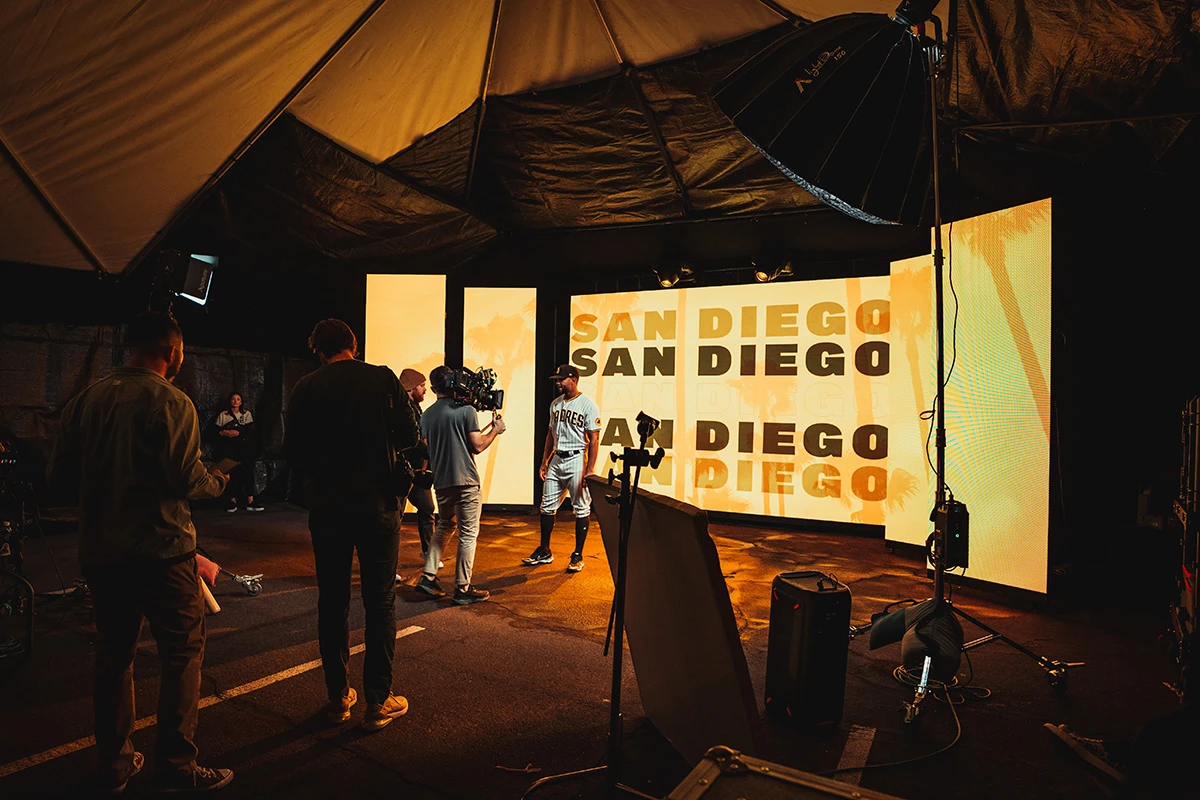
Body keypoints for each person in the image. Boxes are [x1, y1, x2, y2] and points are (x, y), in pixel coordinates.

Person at [47, 311, 234, 793]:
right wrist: (216, 481)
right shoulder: (172, 402)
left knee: (113, 655)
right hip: (162, 551)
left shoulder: (84, 402)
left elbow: (60, 479)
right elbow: (183, 477)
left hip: (102, 554)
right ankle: (176, 767)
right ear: (171, 352)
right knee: (181, 653)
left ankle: (114, 765)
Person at [284, 319, 417, 731]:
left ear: (318, 350)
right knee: (380, 603)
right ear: (353, 345)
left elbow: (293, 451)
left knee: (333, 602)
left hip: (328, 512)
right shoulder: (382, 379)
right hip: (378, 508)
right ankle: (378, 701)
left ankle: (338, 697)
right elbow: (410, 435)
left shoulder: (306, 388)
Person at [416, 365, 506, 605]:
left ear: (434, 388)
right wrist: (495, 430)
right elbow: (477, 445)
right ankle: (463, 588)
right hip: (466, 481)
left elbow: (428, 446)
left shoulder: (427, 415)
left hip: (442, 482)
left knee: (444, 526)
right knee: (468, 533)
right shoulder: (466, 410)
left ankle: (428, 576)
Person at [522, 364, 600, 573]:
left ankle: (578, 555)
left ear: (573, 379)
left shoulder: (588, 405)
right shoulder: (555, 404)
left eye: (561, 379)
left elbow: (594, 439)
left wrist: (590, 469)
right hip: (557, 458)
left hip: (576, 459)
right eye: (557, 379)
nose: (558, 383)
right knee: (546, 506)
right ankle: (545, 550)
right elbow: (550, 435)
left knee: (581, 507)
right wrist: (544, 461)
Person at [397, 368, 438, 568]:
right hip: (403, 470)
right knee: (395, 517)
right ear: (412, 387)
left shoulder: (415, 408)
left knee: (427, 508)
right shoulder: (402, 409)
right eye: (422, 385)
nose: (425, 390)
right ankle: (388, 566)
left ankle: (429, 552)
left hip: (415, 470)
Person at [214, 391, 262, 512]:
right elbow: (214, 431)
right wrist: (223, 433)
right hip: (229, 448)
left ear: (241, 402)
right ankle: (232, 500)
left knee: (248, 470)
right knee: (231, 471)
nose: (235, 401)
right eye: (233, 399)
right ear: (230, 401)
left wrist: (239, 432)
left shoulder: (246, 414)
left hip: (244, 447)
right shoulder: (223, 415)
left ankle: (250, 500)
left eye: (238, 399)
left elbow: (250, 431)